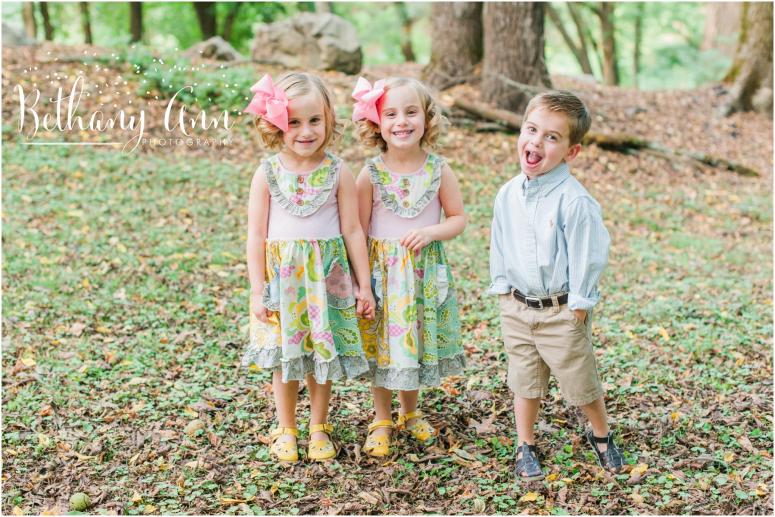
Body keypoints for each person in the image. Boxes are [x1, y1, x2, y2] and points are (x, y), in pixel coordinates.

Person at [489, 90, 625, 481]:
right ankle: (525, 443)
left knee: (579, 378)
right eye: (531, 130)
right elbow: (500, 241)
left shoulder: (574, 201)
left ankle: (601, 434)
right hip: (517, 306)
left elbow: (590, 254)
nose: (536, 142)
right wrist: (501, 288)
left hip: (560, 308)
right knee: (524, 379)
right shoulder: (507, 194)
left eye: (551, 137)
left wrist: (578, 306)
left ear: (571, 151)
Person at [242, 72, 375, 463]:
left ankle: (319, 425)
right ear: (276, 124)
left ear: (329, 119)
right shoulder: (267, 173)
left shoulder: (339, 171)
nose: (305, 131)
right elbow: (256, 235)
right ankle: (286, 427)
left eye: (314, 120)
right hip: (284, 281)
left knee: (320, 357)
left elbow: (352, 231)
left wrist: (363, 285)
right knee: (287, 358)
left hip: (327, 279)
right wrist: (256, 289)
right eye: (294, 122)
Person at [352, 76, 467, 458]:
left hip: (420, 275)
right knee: (385, 345)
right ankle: (382, 417)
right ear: (377, 123)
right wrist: (361, 283)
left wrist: (431, 232)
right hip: (383, 275)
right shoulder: (370, 173)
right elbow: (359, 229)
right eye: (391, 114)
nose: (402, 121)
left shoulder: (438, 170)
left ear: (427, 118)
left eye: (411, 112)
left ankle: (411, 410)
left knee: (411, 342)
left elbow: (458, 218)